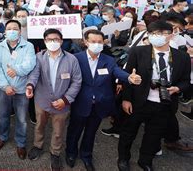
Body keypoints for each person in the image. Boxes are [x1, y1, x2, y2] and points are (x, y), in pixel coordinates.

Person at [117, 21, 191, 171]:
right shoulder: (138, 52)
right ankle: (123, 158)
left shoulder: (182, 57)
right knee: (128, 132)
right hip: (138, 101)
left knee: (153, 135)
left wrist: (177, 88)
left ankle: (145, 160)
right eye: (154, 33)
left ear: (171, 35)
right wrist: (126, 99)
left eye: (162, 33)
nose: (158, 36)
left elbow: (185, 81)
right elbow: (128, 76)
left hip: (164, 103)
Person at [65, 29, 142, 170]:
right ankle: (70, 153)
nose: (97, 44)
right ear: (86, 42)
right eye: (93, 41)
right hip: (81, 101)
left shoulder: (109, 60)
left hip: (100, 103)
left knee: (91, 132)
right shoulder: (76, 58)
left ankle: (86, 155)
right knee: (74, 130)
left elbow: (118, 72)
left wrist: (129, 78)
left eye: (100, 42)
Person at [25, 28, 82, 171]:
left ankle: (55, 153)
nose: (53, 42)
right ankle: (38, 146)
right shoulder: (39, 57)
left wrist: (66, 99)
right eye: (49, 39)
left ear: (61, 41)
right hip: (42, 100)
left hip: (62, 104)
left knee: (58, 130)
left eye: (56, 39)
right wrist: (30, 85)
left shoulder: (71, 59)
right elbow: (34, 74)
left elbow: (77, 81)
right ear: (44, 41)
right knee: (39, 125)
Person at [0, 19, 36, 160]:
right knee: (2, 115)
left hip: (22, 88)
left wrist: (16, 70)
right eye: (9, 28)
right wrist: (5, 86)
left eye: (15, 29)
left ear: (20, 31)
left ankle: (21, 143)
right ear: (5, 31)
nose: (12, 31)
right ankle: (3, 136)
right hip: (5, 88)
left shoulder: (28, 46)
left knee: (22, 118)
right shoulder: (0, 46)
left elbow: (30, 63)